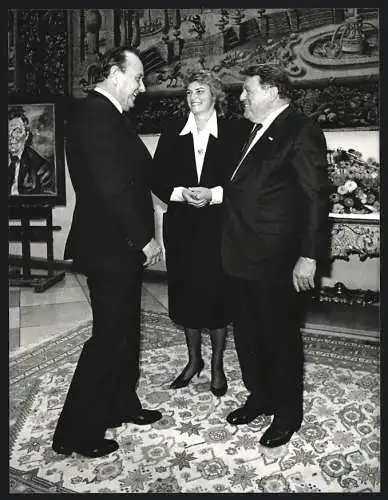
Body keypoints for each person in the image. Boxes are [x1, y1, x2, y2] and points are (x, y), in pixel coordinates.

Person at [52, 46, 164, 459]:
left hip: (118, 245)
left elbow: (134, 177)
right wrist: (143, 238)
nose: (142, 87)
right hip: (111, 245)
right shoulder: (95, 114)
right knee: (108, 339)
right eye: (137, 78)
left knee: (125, 332)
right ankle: (75, 434)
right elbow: (112, 187)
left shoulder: (109, 115)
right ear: (116, 74)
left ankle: (120, 405)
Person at [222, 64, 329, 447]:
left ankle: (287, 413)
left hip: (277, 259)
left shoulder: (300, 129)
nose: (242, 98)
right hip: (240, 253)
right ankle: (260, 396)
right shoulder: (253, 131)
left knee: (279, 337)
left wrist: (310, 256)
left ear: (271, 90)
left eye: (247, 90)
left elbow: (317, 198)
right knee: (248, 334)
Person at [151, 70, 249, 397]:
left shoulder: (236, 132)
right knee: (186, 293)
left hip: (219, 229)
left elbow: (244, 181)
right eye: (189, 92)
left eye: (201, 91)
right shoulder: (171, 132)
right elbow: (157, 178)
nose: (193, 97)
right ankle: (194, 362)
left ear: (215, 96)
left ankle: (218, 365)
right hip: (182, 228)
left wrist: (214, 194)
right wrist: (181, 193)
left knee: (217, 296)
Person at [8, 107, 55, 196]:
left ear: (26, 135)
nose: (10, 137)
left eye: (16, 131)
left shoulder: (42, 168)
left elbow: (47, 200)